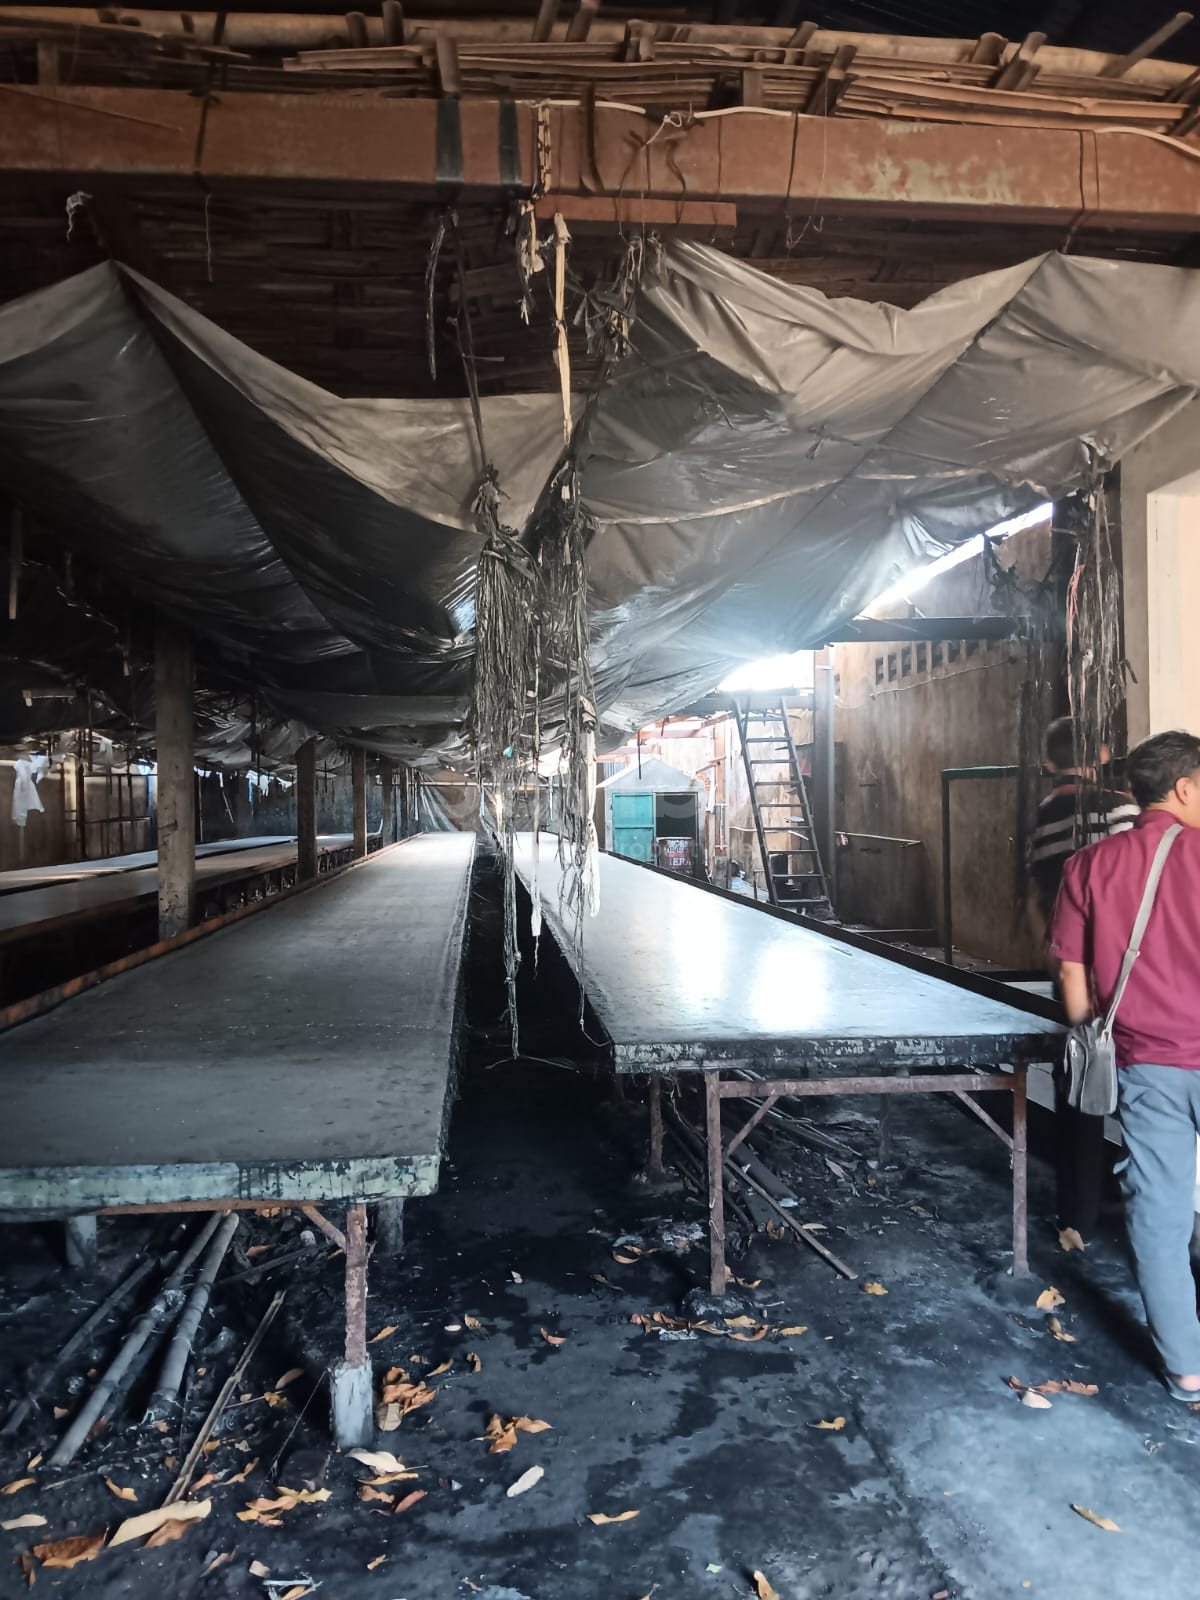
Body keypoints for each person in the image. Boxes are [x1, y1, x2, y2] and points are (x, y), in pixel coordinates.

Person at [1049, 730, 1200, 1401]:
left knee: (1159, 1214)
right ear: (1185, 787)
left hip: (1148, 1063)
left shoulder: (1090, 865)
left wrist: (1094, 1036)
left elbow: (1071, 974)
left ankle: (1187, 1368)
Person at [1029, 717, 1139, 1236]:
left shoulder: (1043, 815)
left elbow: (1038, 893)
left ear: (1049, 761)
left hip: (1070, 963)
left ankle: (1077, 1213)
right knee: (1138, 1081)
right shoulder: (1121, 808)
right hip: (1123, 966)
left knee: (1080, 1079)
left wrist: (1055, 956)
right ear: (1102, 752)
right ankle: (1140, 1198)